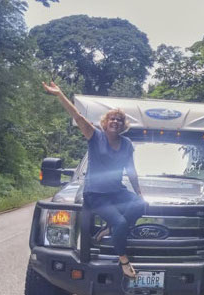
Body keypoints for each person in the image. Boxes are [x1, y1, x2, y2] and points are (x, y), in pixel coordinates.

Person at [42, 81, 145, 279]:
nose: (115, 121)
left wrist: (138, 192)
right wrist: (60, 94)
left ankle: (110, 228)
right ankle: (123, 260)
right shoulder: (95, 136)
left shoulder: (127, 144)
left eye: (119, 120)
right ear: (106, 123)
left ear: (123, 125)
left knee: (141, 204)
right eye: (112, 119)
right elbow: (77, 117)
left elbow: (131, 171)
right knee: (122, 223)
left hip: (116, 192)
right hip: (95, 195)